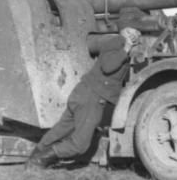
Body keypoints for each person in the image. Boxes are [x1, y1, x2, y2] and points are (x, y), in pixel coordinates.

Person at [27, 27, 141, 168]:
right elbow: (108, 66)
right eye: (132, 32)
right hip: (92, 98)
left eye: (137, 33)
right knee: (79, 145)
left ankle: (33, 160)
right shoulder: (118, 41)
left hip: (83, 92)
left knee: (60, 130)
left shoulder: (118, 44)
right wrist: (127, 48)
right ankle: (40, 160)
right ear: (125, 33)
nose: (136, 35)